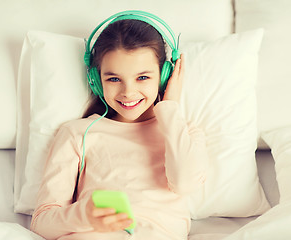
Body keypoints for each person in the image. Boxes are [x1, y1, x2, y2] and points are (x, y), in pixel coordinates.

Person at [30, 12, 209, 240]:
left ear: (164, 76)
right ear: (96, 80)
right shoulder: (76, 134)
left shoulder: (184, 133)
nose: (128, 93)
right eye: (114, 79)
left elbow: (184, 183)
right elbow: (41, 224)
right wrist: (83, 215)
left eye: (143, 77)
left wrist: (170, 107)